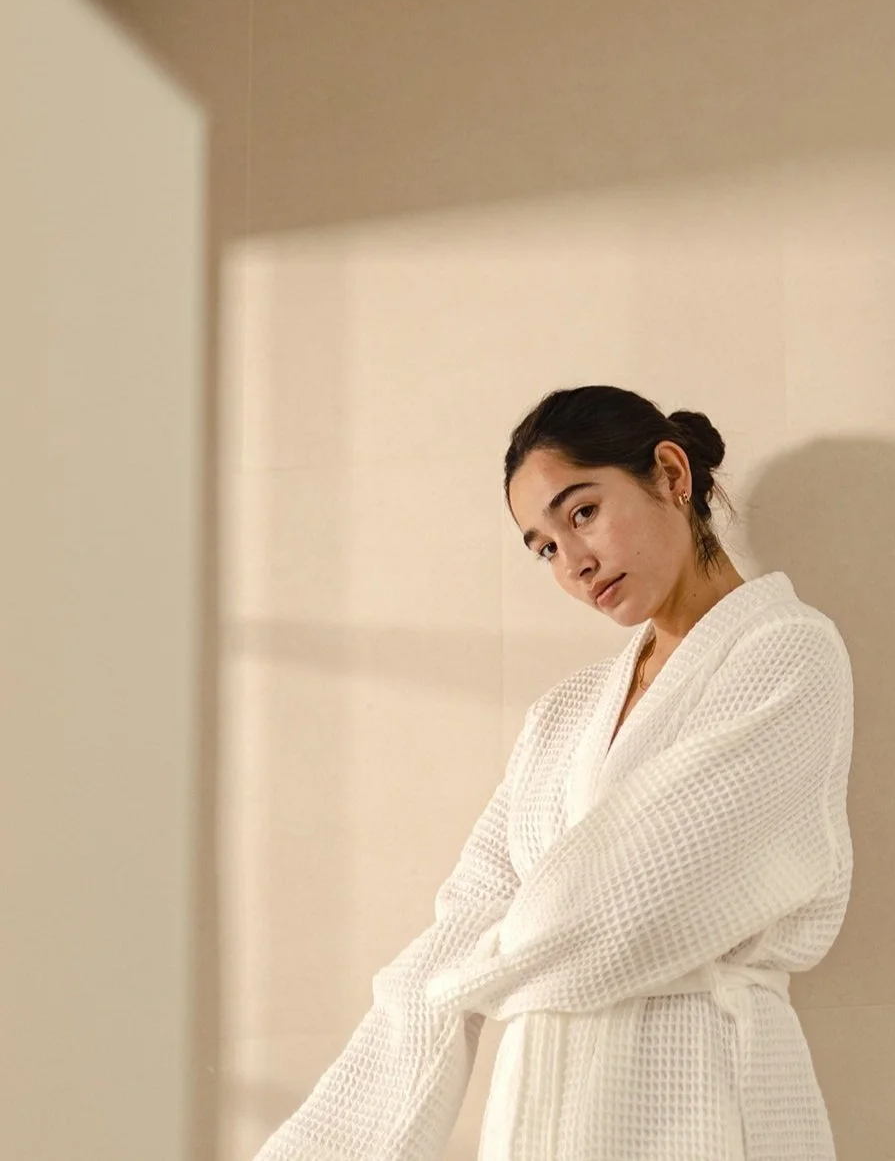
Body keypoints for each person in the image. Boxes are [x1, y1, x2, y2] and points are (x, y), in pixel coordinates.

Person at [255, 386, 856, 1161]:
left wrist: (466, 975)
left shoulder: (786, 654)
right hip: (542, 1115)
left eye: (583, 513)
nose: (574, 563)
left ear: (672, 474)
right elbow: (460, 925)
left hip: (703, 1097)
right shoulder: (563, 715)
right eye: (544, 548)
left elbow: (628, 902)